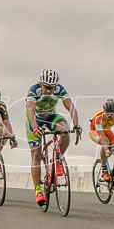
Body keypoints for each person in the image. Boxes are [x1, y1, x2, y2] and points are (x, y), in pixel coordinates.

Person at [25, 69, 80, 208]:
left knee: (65, 131)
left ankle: (58, 158)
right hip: (35, 120)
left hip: (51, 117)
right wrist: (35, 127)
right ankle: (38, 191)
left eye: (52, 88)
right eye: (47, 87)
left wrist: (76, 124)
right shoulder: (34, 89)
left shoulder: (59, 89)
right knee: (36, 155)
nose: (50, 91)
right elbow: (30, 110)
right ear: (41, 84)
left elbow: (70, 106)